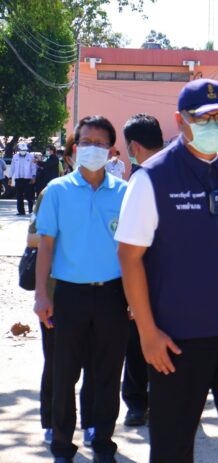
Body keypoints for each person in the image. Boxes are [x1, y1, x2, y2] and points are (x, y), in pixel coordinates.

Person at [115, 78, 218, 463]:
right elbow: (129, 257)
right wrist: (147, 332)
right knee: (172, 444)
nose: (213, 125)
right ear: (180, 120)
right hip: (177, 337)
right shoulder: (152, 177)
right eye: (203, 118)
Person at [33, 116, 129, 463]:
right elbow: (46, 245)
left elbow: (133, 250)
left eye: (100, 144)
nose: (92, 149)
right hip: (69, 295)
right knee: (64, 374)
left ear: (112, 151)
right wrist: (42, 294)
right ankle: (62, 445)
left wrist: (136, 298)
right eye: (85, 142)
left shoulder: (125, 193)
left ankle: (102, 442)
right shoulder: (57, 190)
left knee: (107, 374)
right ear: (74, 148)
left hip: (113, 295)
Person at [27, 187, 95, 447]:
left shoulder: (113, 192)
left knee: (95, 363)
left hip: (100, 295)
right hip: (57, 294)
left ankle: (92, 423)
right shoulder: (53, 193)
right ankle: (52, 423)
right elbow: (32, 238)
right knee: (57, 363)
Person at [119, 113, 164, 427]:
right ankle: (160, 400)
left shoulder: (140, 178)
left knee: (137, 342)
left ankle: (137, 403)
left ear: (133, 146)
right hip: (173, 278)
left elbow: (127, 245)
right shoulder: (181, 172)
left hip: (145, 273)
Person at [9, 142, 36, 215]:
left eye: (25, 150)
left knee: (29, 195)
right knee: (19, 196)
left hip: (28, 179)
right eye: (22, 150)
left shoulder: (31, 156)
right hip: (18, 179)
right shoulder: (15, 157)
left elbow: (33, 167)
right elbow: (12, 168)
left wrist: (34, 176)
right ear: (19, 149)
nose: (23, 151)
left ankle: (31, 210)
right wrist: (10, 177)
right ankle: (21, 211)